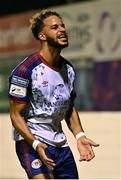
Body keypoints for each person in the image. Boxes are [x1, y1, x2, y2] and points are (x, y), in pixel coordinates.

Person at [8, 10, 99, 179]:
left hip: (60, 144)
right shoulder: (25, 70)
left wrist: (80, 136)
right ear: (42, 36)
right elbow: (15, 115)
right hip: (32, 142)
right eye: (55, 27)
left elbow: (69, 107)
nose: (62, 29)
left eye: (63, 25)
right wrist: (35, 144)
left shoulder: (68, 69)